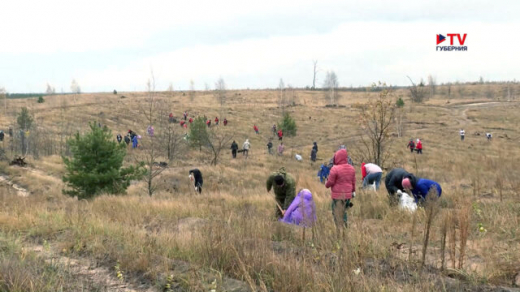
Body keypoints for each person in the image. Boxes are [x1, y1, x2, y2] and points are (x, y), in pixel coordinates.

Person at [325, 148, 356, 230]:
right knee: (344, 211)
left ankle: (340, 230)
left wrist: (326, 182)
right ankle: (345, 229)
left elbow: (329, 183)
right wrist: (353, 192)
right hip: (348, 196)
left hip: (337, 196)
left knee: (336, 213)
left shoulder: (335, 169)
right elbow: (353, 182)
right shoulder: (352, 168)